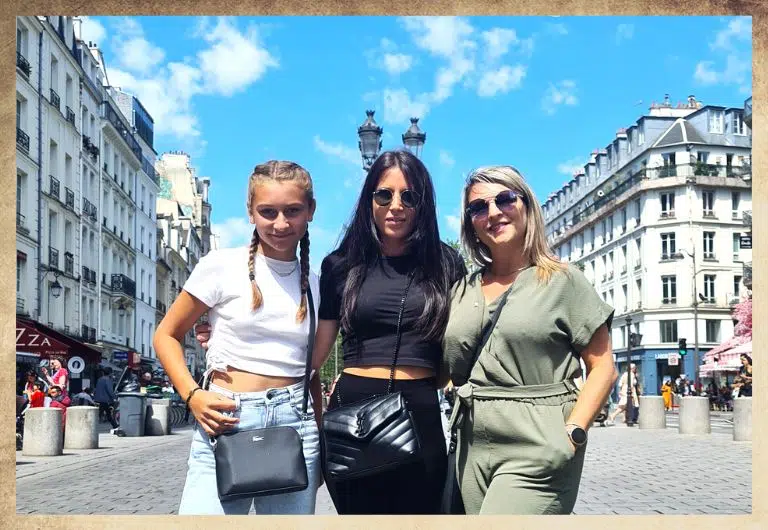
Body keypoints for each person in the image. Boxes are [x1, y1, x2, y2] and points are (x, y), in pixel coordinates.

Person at [442, 165, 617, 515]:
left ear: (526, 207)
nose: (493, 212)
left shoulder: (563, 280)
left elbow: (603, 368)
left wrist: (573, 433)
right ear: (470, 224)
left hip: (538, 443)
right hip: (470, 446)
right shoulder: (461, 289)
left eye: (505, 199)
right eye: (478, 207)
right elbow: (447, 366)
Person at [154, 160, 321, 515]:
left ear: (310, 211)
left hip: (296, 422)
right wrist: (193, 395)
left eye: (292, 211)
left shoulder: (316, 284)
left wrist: (319, 436)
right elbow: (166, 334)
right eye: (268, 211)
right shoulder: (220, 266)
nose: (280, 223)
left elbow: (312, 369)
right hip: (227, 417)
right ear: (250, 212)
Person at [313, 149, 466, 514]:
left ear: (422, 204)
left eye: (408, 196)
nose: (396, 205)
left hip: (420, 410)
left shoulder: (446, 264)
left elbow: (459, 342)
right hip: (352, 415)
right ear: (369, 200)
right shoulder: (340, 264)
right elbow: (315, 354)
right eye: (384, 194)